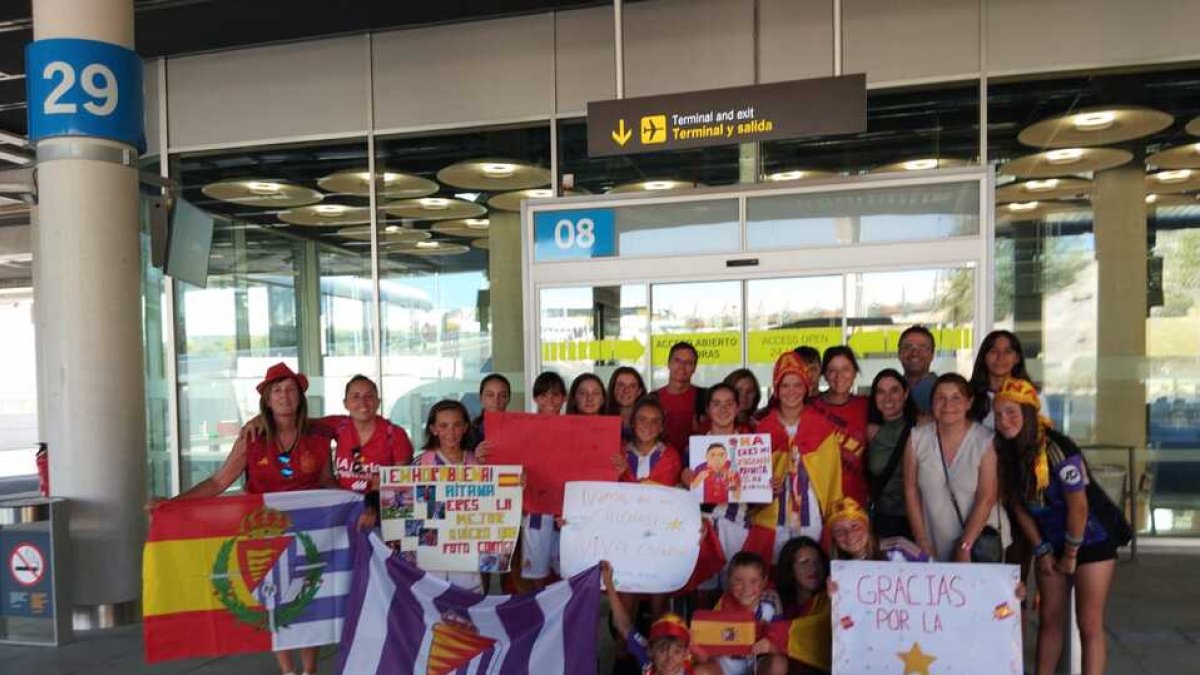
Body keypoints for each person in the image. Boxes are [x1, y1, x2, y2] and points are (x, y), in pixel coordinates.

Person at [166, 362, 337, 675]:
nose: (284, 397)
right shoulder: (252, 438)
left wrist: (349, 503)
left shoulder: (318, 438)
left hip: (309, 533)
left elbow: (326, 481)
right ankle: (288, 670)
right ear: (267, 400)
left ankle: (310, 670)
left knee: (309, 600)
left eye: (290, 390)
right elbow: (218, 482)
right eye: (276, 391)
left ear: (300, 397)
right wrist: (172, 505)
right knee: (276, 604)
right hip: (265, 534)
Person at [993, 377, 1116, 675]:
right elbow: (1017, 505)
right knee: (1049, 619)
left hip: (1090, 543)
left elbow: (1079, 506)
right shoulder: (1004, 450)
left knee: (1089, 623)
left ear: (1030, 413)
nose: (1004, 420)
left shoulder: (1058, 447)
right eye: (998, 415)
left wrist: (1071, 553)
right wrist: (1042, 548)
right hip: (1050, 543)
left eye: (1012, 412)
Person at [725, 352, 842, 563]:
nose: (791, 391)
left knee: (809, 571)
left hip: (811, 517)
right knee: (774, 571)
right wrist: (765, 489)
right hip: (772, 517)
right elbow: (749, 482)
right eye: (785, 385)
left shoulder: (823, 428)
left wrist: (834, 519)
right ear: (776, 389)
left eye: (797, 385)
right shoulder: (762, 428)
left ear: (806, 387)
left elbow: (833, 482)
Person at [904, 374, 1010, 562]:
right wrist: (922, 540)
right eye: (940, 398)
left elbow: (987, 497)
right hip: (935, 542)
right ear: (932, 403)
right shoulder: (917, 438)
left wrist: (966, 544)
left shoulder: (984, 440)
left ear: (969, 403)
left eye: (956, 398)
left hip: (980, 544)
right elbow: (911, 490)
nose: (948, 405)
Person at [410, 399, 483, 593]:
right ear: (433, 429)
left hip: (466, 543)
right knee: (432, 602)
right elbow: (408, 507)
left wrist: (515, 484)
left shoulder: (477, 463)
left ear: (466, 427)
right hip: (431, 546)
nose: (451, 431)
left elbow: (490, 502)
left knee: (467, 604)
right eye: (444, 426)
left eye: (457, 425)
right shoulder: (421, 463)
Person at [602, 562, 722, 675]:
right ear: (650, 651)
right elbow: (624, 626)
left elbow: (715, 668)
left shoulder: (695, 672)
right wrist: (609, 585)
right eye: (662, 651)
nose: (669, 659)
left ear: (686, 653)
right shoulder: (647, 659)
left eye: (677, 652)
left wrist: (693, 646)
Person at [699, 551, 787, 675]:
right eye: (738, 581)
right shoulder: (722, 603)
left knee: (779, 663)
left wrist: (769, 646)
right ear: (729, 580)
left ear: (764, 582)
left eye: (753, 581)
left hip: (756, 662)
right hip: (725, 663)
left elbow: (782, 642)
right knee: (700, 672)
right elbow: (706, 648)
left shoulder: (771, 600)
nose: (746, 588)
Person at [809, 346, 869, 507]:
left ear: (855, 372)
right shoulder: (810, 407)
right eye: (832, 370)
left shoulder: (867, 406)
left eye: (845, 369)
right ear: (824, 375)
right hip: (816, 501)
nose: (839, 376)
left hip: (855, 502)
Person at [865, 369, 918, 539]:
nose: (887, 398)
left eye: (894, 390)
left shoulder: (923, 428)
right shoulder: (869, 432)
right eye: (881, 392)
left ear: (906, 393)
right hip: (883, 521)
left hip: (919, 520)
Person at [771, 537, 832, 674]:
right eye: (804, 562)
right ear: (790, 570)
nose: (813, 568)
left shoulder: (830, 600)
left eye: (818, 562)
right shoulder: (776, 600)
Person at [968, 329, 1037, 430]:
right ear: (984, 357)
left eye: (1008, 352)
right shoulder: (968, 395)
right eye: (993, 351)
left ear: (1017, 358)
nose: (1000, 357)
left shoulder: (1031, 395)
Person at [826, 497, 927, 563]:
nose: (849, 534)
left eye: (854, 526)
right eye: (839, 531)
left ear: (867, 525)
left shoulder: (899, 548)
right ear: (834, 539)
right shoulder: (839, 569)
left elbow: (932, 571)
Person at [616, 398, 684, 487]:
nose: (648, 425)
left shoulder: (671, 457)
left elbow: (672, 492)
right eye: (642, 419)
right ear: (633, 422)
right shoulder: (619, 453)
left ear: (661, 427)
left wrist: (627, 473)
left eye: (655, 421)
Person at [654, 341, 704, 453]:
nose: (682, 367)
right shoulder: (653, 399)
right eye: (677, 361)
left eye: (688, 363)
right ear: (668, 364)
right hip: (662, 465)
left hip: (696, 464)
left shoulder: (705, 398)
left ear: (694, 368)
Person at [897, 325, 937, 416]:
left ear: (932, 354)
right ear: (899, 354)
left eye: (922, 347)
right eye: (908, 347)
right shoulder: (890, 391)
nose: (914, 353)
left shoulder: (943, 391)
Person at [468, 373, 511, 450]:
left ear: (508, 399)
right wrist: (475, 458)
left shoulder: (518, 431)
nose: (496, 400)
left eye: (502, 395)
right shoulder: (469, 432)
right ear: (481, 398)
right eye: (490, 395)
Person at [606, 366, 647, 441]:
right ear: (613, 388)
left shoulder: (648, 420)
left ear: (639, 392)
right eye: (621, 385)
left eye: (632, 386)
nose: (626, 390)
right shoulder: (602, 418)